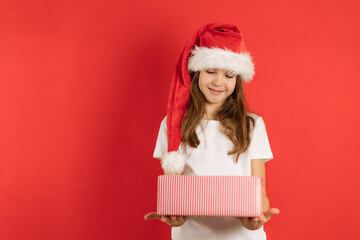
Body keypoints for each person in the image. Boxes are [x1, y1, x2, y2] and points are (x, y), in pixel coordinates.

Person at [144, 22, 279, 240]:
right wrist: (176, 216)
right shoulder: (173, 125)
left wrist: (254, 220)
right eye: (211, 71)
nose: (218, 81)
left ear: (237, 80)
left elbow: (261, 197)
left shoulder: (252, 125)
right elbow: (173, 196)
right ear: (196, 72)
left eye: (229, 76)